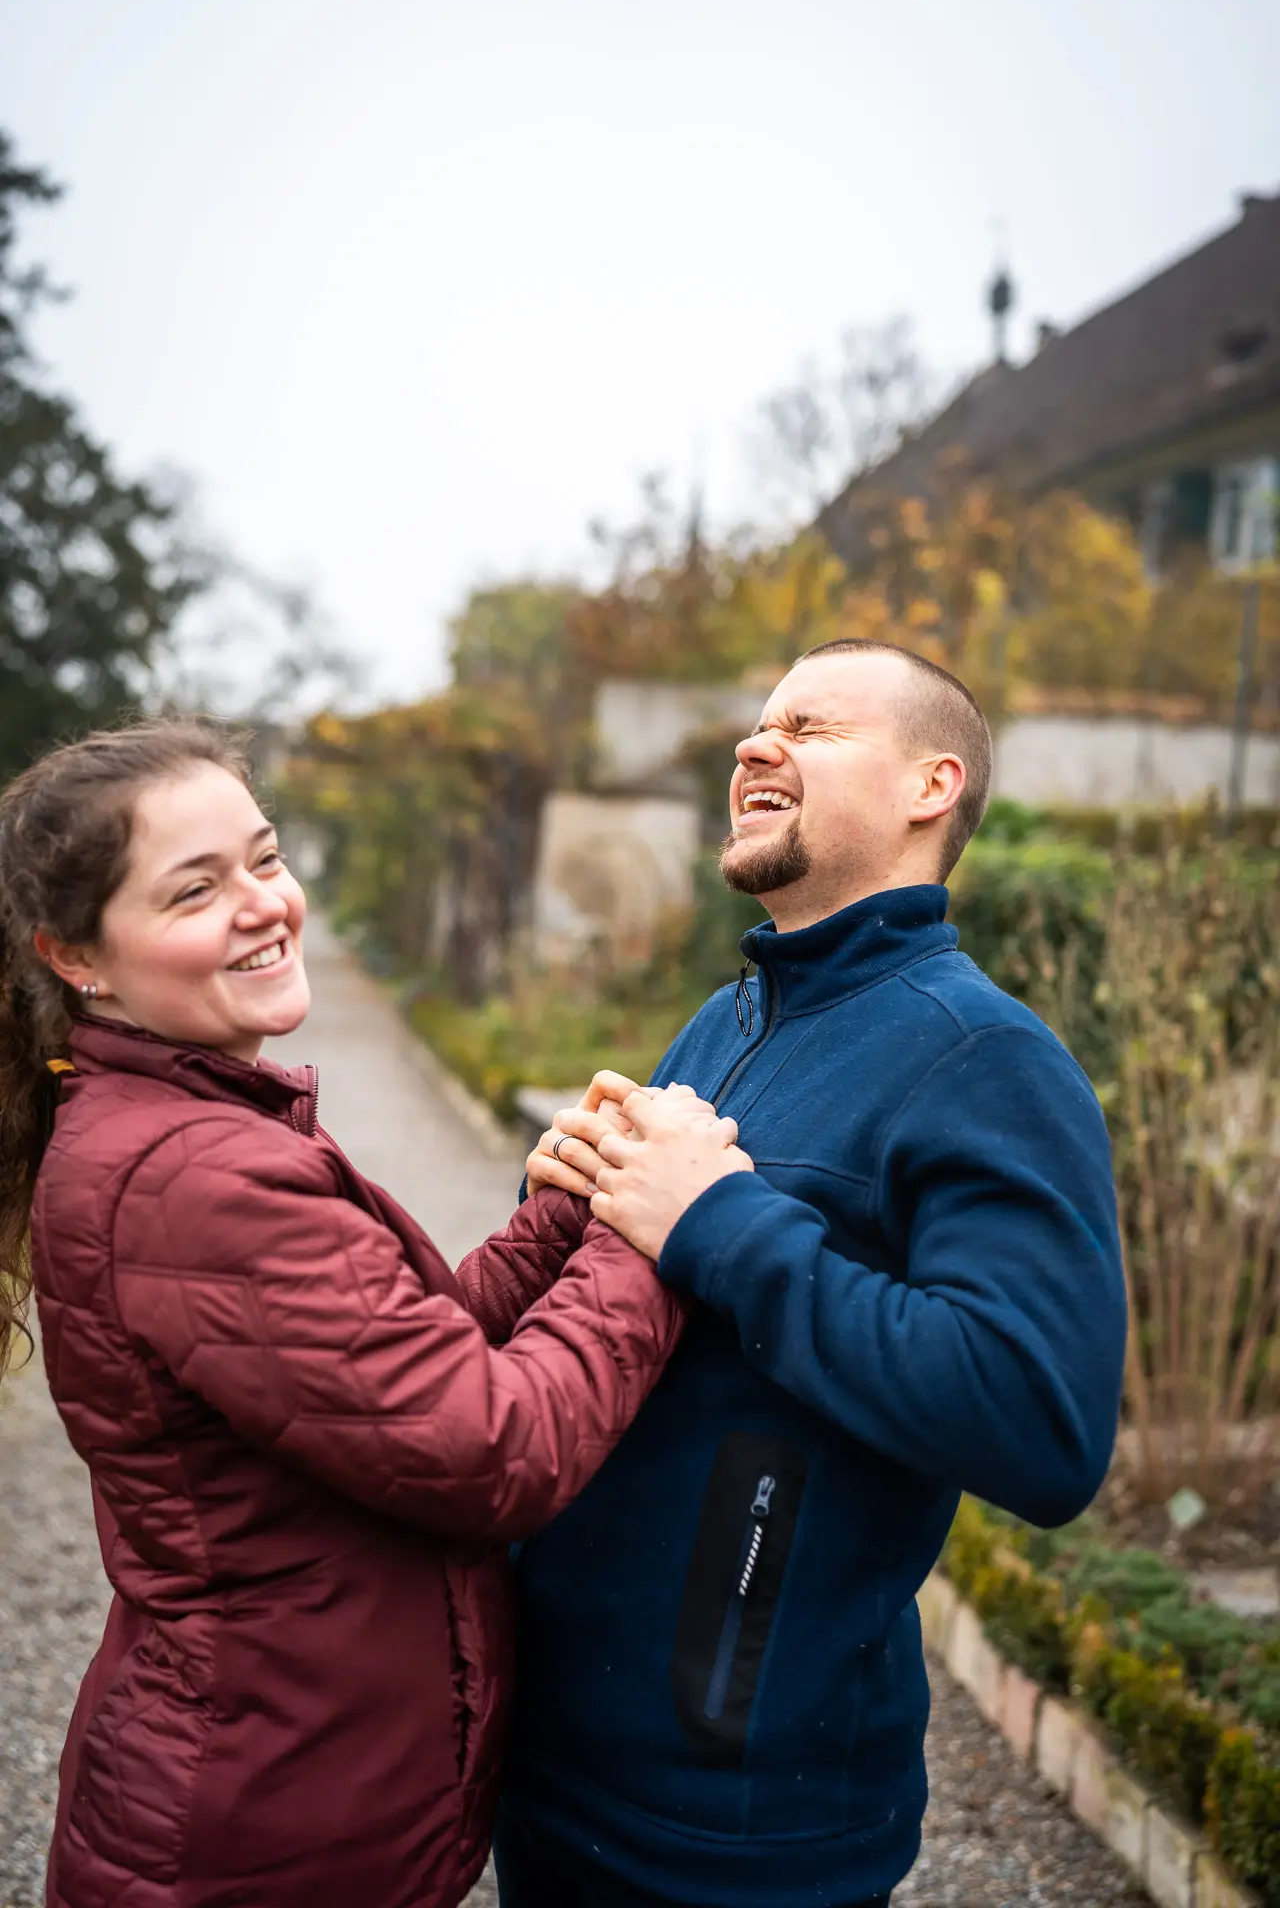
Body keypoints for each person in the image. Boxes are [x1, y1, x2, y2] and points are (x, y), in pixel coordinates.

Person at [0, 718, 739, 1908]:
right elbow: (498, 1446)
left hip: (291, 1782)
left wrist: (560, 1211)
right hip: (266, 1828)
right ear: (76, 957)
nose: (262, 905)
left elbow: (397, 1350)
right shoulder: (195, 1175)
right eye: (195, 889)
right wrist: (653, 1230)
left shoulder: (193, 1120)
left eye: (264, 857)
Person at [501, 640, 1128, 1908]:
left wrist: (720, 1221)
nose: (753, 744)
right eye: (755, 722)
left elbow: (1039, 1423)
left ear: (928, 785)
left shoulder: (987, 1060)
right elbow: (649, 1301)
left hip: (739, 1822)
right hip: (551, 1752)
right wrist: (564, 1204)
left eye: (810, 725)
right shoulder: (725, 1021)